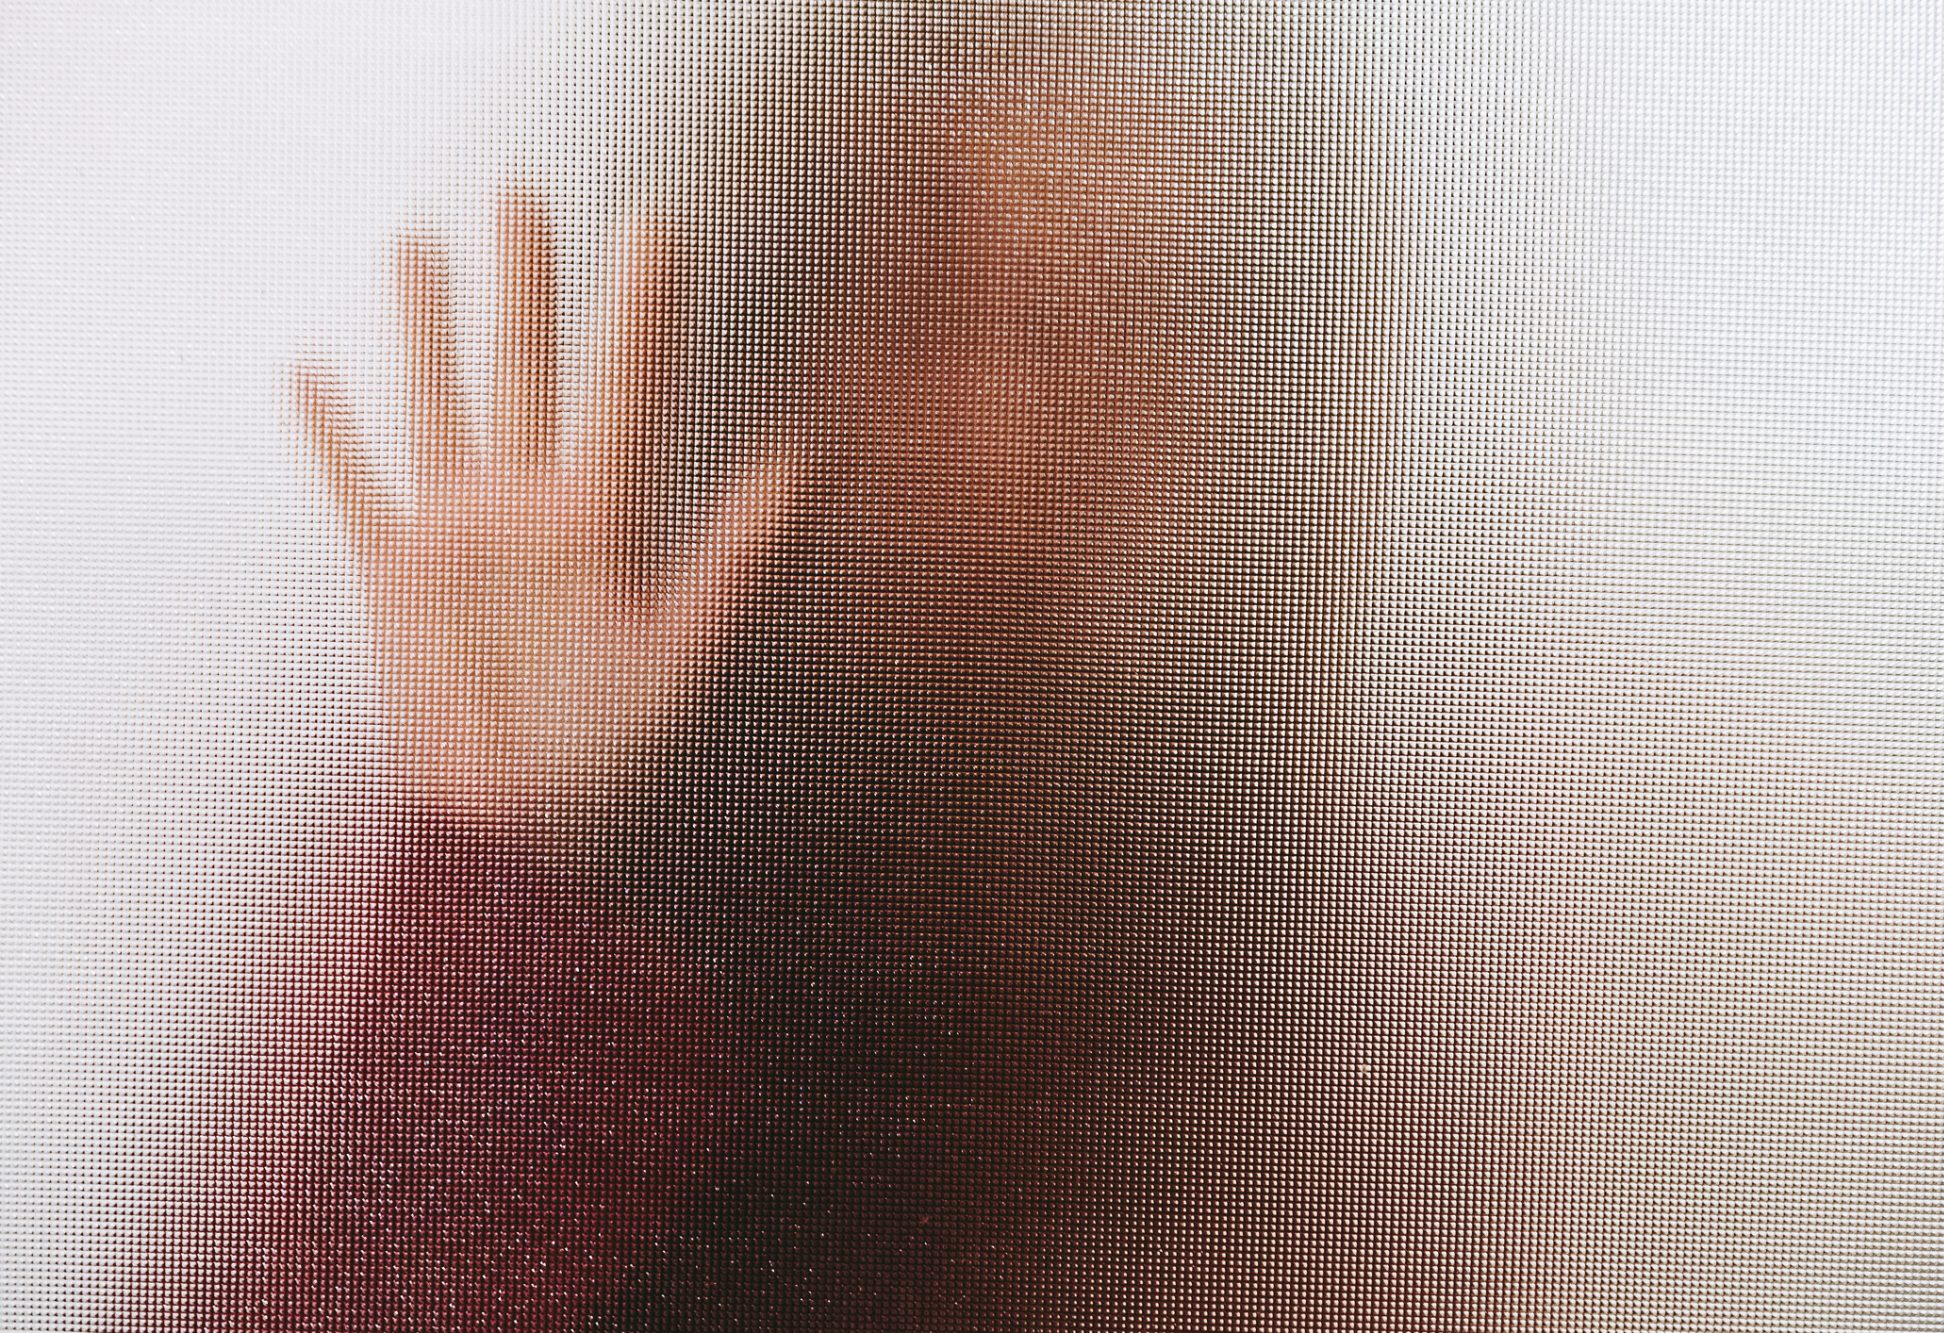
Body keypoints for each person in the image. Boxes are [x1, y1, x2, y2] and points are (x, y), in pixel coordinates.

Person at [138, 8, 1225, 1329]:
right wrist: (501, 859)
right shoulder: (630, 907)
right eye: (947, 306)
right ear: (813, 341)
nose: (1011, 421)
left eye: (1109, 320)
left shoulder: (1295, 968)